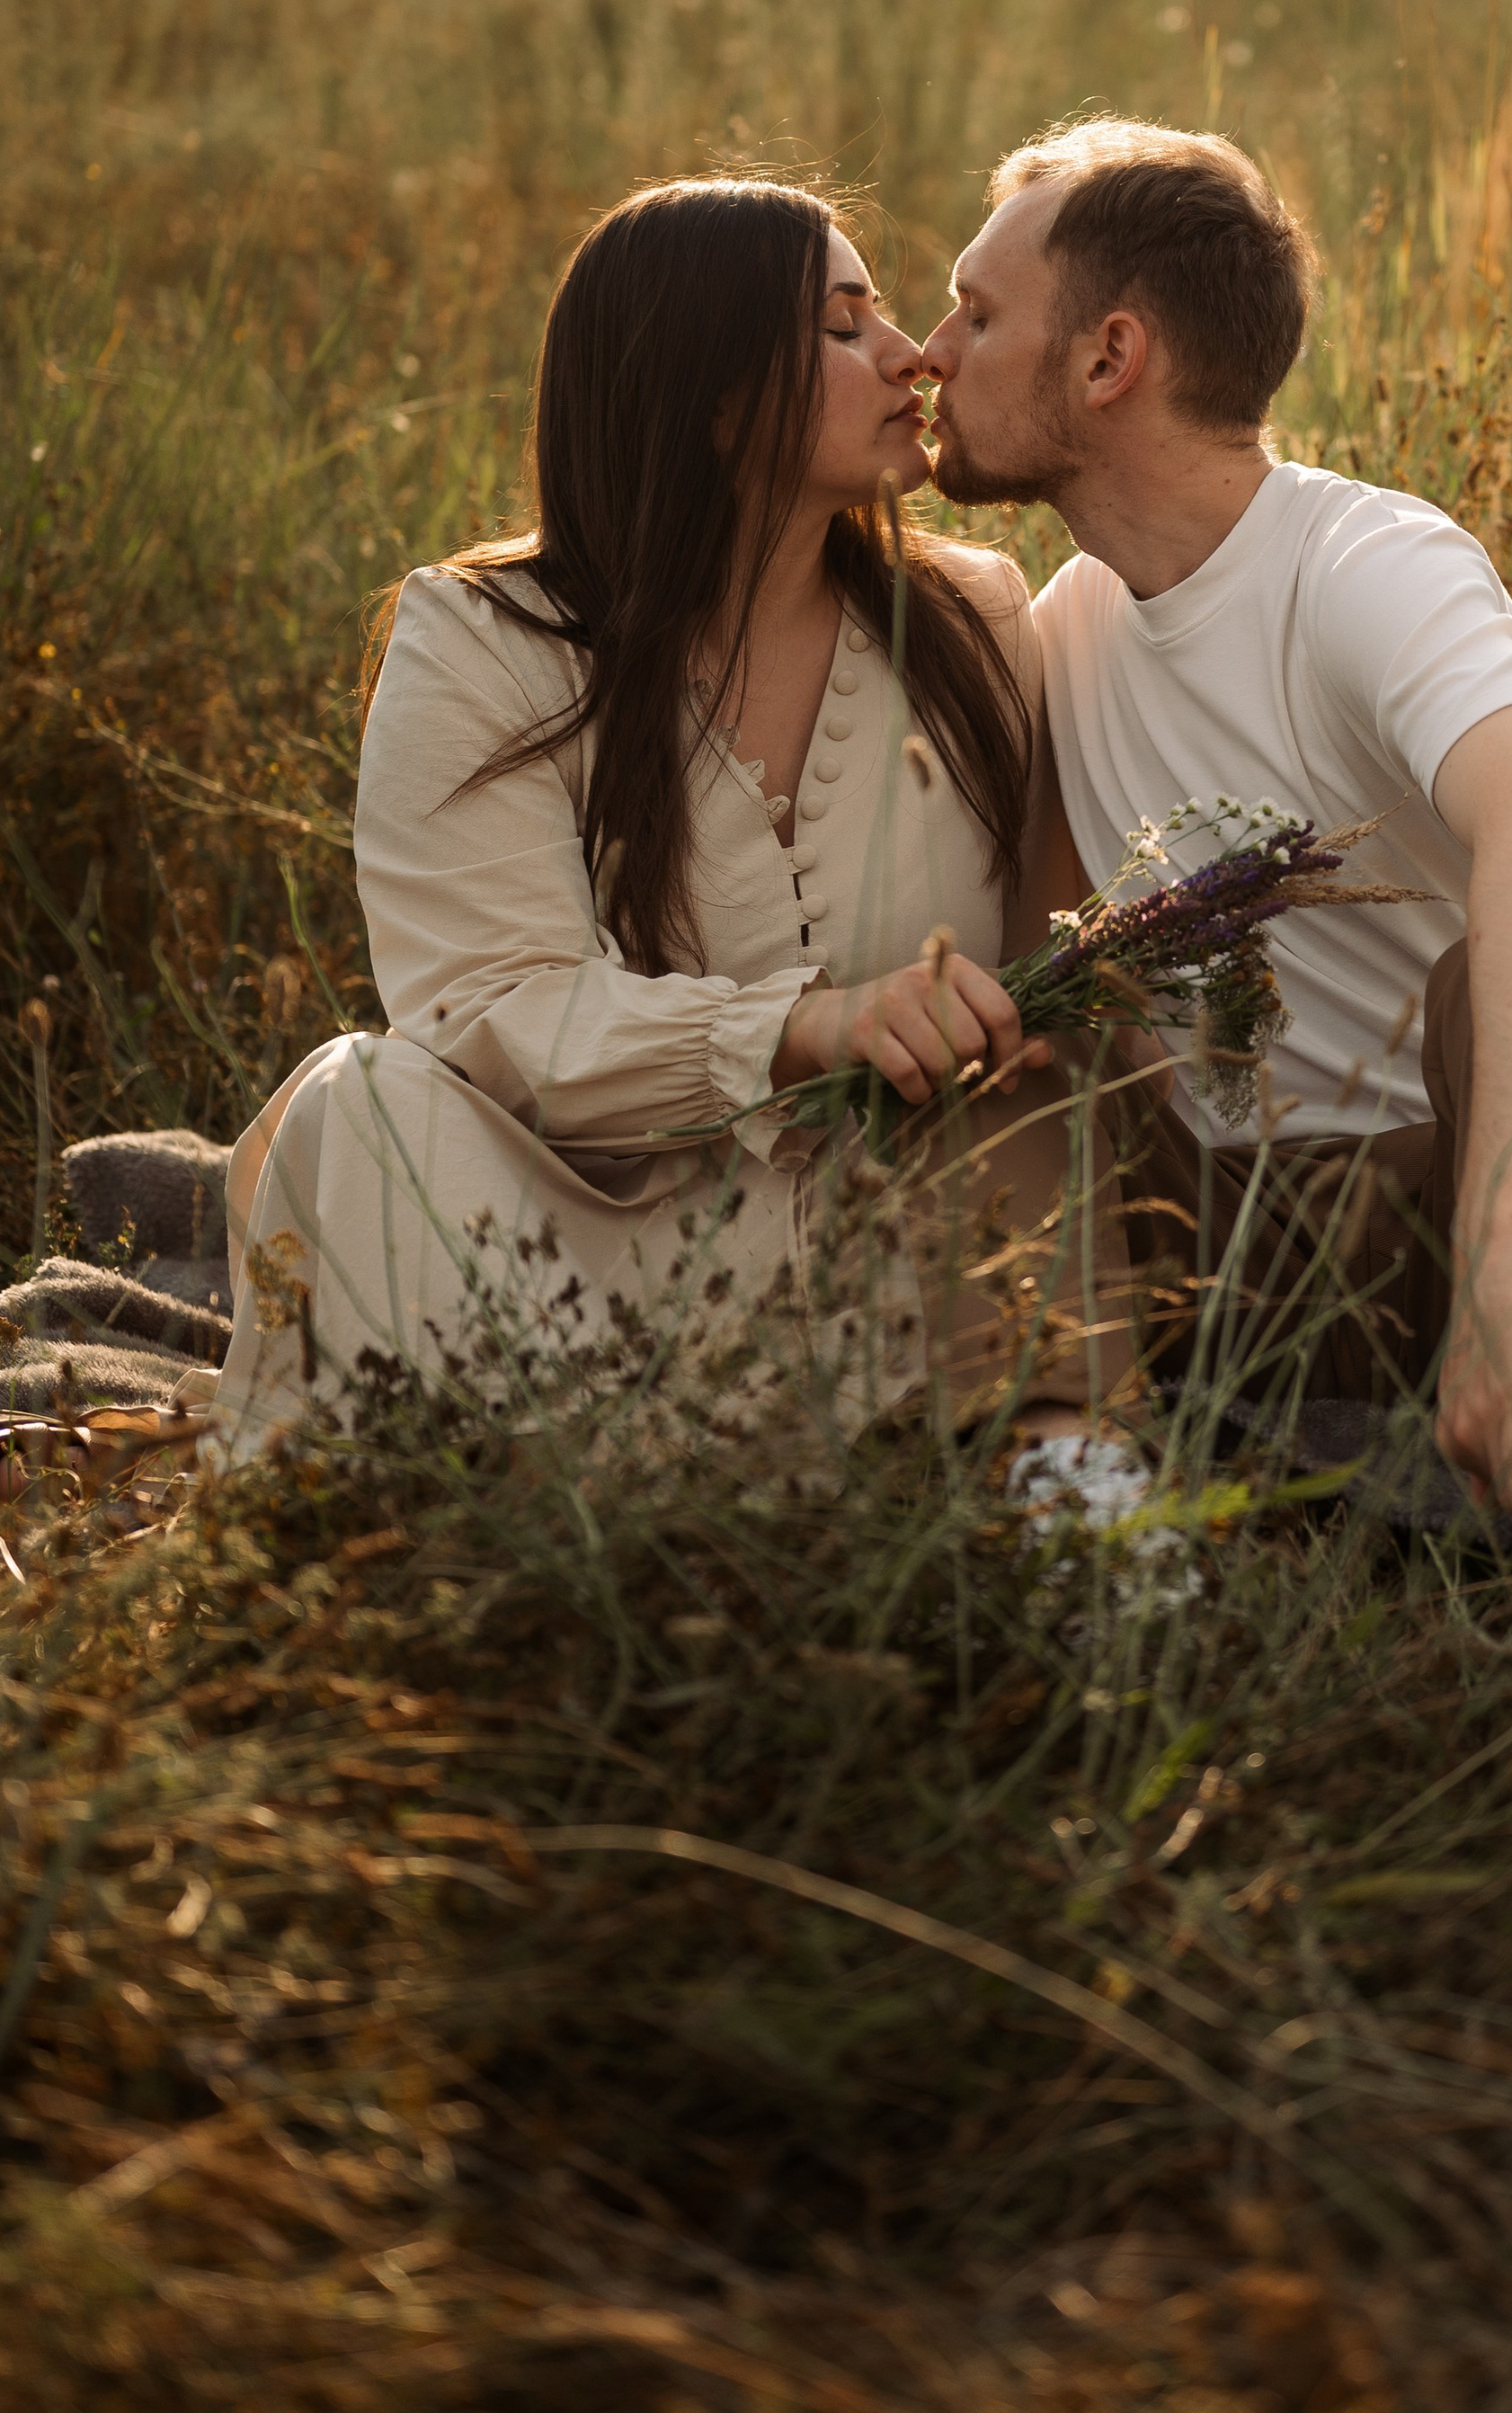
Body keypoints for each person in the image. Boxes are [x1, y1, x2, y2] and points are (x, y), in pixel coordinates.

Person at [922, 119, 1512, 1681]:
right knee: (1014, 1036)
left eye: (974, 313)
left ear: (1109, 357)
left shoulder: (1367, 561)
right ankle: (1095, 1540)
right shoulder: (1060, 632)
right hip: (1230, 1260)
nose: (930, 348)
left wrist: (1504, 1250)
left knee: (1509, 972)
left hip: (1490, 1224)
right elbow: (1055, 985)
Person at [212, 178, 1141, 1521]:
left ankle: (1089, 1519)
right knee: (363, 1101)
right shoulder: (482, 642)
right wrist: (806, 1030)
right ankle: (520, 1510)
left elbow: (1036, 958)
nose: (909, 355)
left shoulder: (977, 618)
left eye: (885, 317)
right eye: (841, 327)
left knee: (1033, 1103)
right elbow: (487, 1005)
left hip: (888, 1253)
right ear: (708, 399)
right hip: (581, 1251)